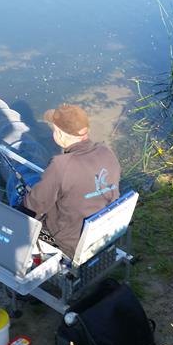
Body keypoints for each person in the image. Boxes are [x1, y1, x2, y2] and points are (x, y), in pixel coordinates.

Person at [21, 104, 121, 257]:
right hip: (105, 233)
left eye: (54, 129)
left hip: (68, 244)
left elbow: (33, 205)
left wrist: (17, 211)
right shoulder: (107, 152)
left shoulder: (61, 165)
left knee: (20, 200)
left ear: (60, 134)